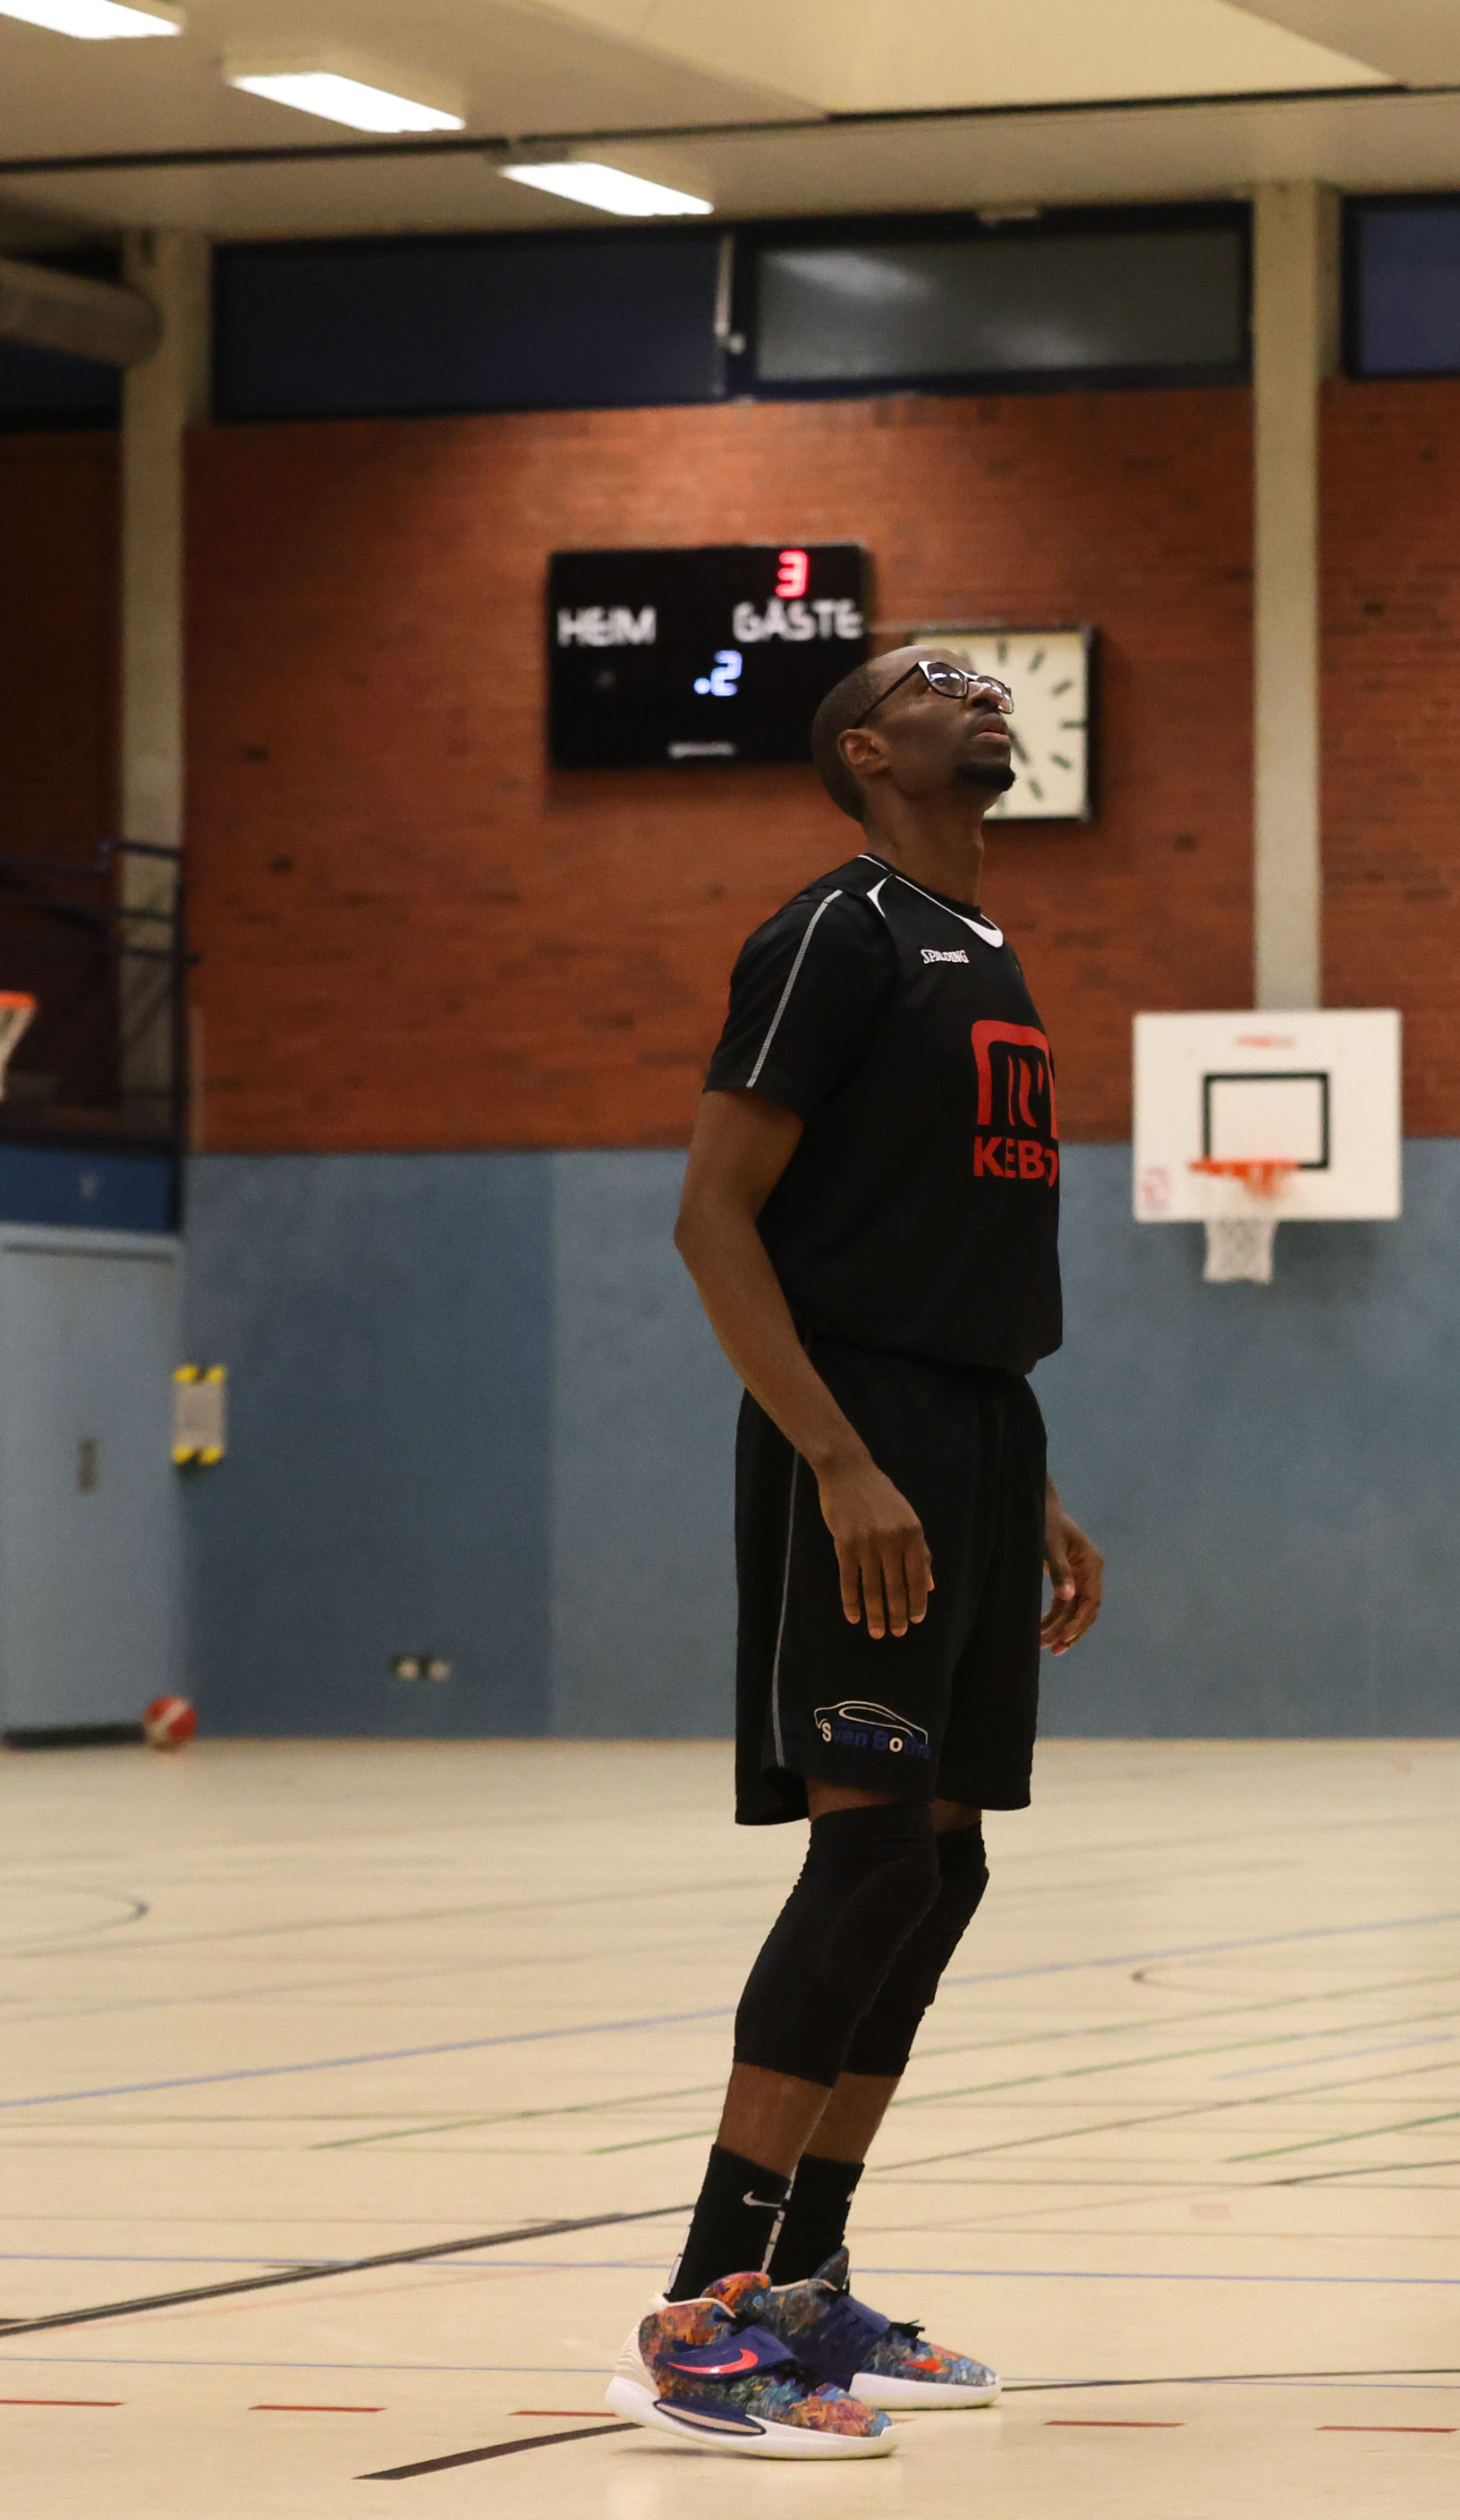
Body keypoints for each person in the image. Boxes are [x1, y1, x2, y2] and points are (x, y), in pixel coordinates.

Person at [609, 643, 1111, 2458]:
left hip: (976, 1429)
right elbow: (711, 1214)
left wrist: (1019, 1481)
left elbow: (944, 1247)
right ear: (866, 749)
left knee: (938, 1868)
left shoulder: (985, 944)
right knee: (870, 1851)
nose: (981, 693)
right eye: (936, 680)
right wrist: (840, 1456)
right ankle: (701, 2311)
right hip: (862, 1434)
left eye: (987, 679)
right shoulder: (833, 931)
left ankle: (806, 2283)